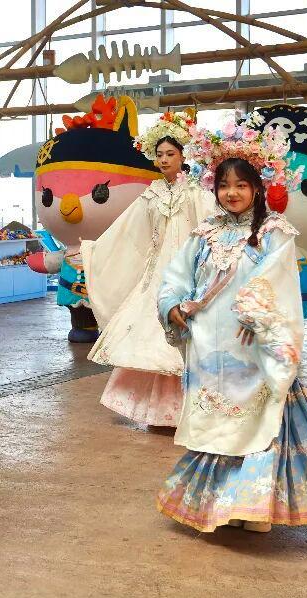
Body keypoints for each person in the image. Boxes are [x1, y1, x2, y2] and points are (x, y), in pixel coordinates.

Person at [154, 118, 307, 533]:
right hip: (209, 349)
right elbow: (176, 275)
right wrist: (172, 303)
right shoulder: (204, 233)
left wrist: (255, 312)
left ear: (259, 187)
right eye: (224, 185)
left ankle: (256, 507)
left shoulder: (273, 232)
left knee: (261, 423)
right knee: (218, 427)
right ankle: (227, 506)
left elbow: (277, 280)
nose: (232, 193)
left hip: (253, 345)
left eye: (241, 185)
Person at [81, 111, 215, 428]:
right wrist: (96, 249)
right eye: (160, 154)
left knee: (188, 337)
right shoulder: (152, 193)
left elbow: (209, 227)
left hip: (188, 272)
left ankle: (194, 408)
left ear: (183, 156)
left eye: (170, 154)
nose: (164, 159)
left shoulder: (197, 192)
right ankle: (160, 412)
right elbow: (128, 230)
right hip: (155, 275)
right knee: (151, 336)